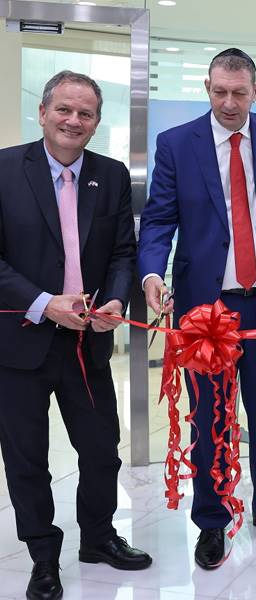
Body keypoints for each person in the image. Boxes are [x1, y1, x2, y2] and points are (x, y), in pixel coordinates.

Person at [138, 48, 256, 570]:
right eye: (220, 92)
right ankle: (211, 521)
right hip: (204, 310)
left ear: (255, 90)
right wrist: (151, 274)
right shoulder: (176, 145)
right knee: (211, 417)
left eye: (240, 92)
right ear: (207, 89)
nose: (230, 102)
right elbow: (158, 220)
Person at [0, 70, 151, 600]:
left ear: (96, 122)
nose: (73, 120)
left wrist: (114, 298)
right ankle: (43, 557)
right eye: (64, 109)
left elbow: (122, 253)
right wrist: (45, 304)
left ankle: (98, 537)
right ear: (42, 113)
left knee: (101, 449)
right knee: (27, 458)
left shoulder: (110, 177)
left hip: (87, 343)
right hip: (20, 343)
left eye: (85, 113)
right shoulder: (3, 169)